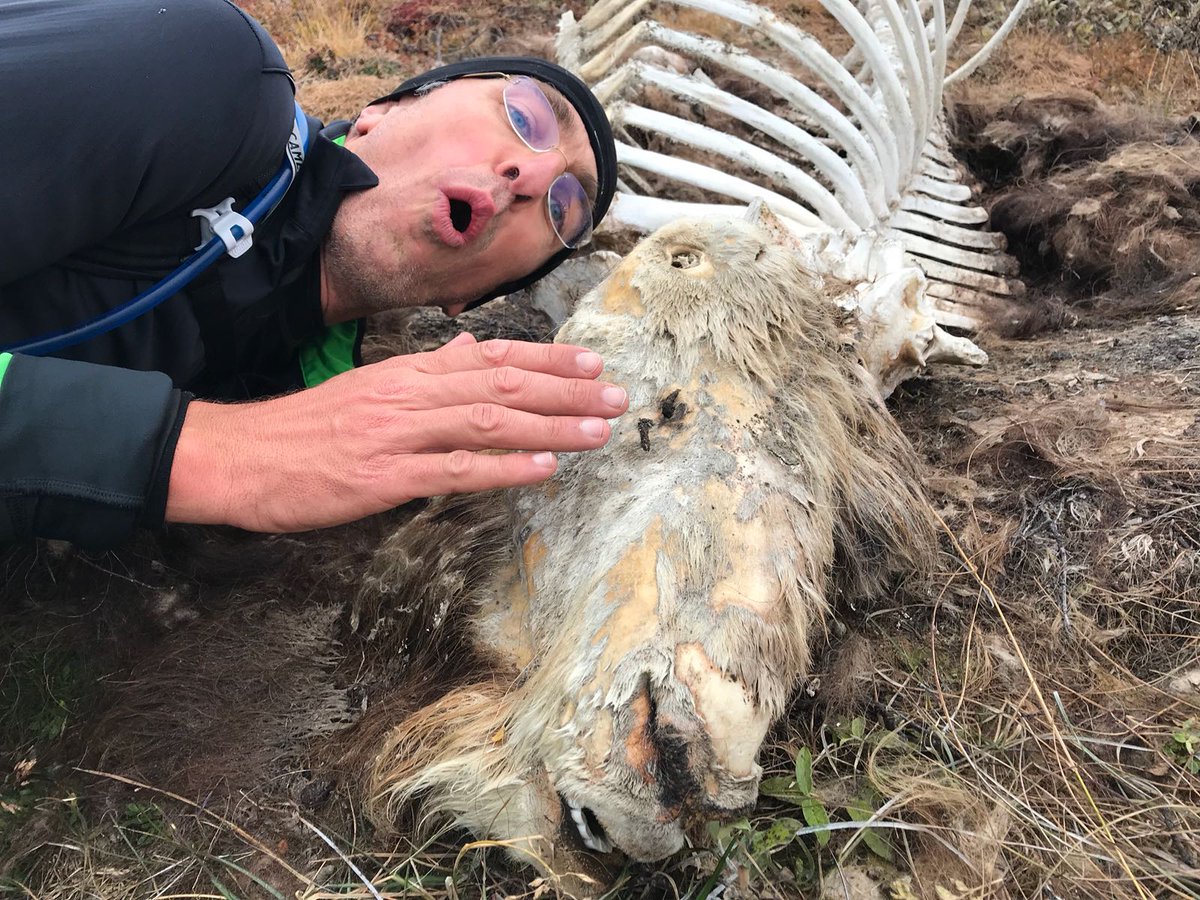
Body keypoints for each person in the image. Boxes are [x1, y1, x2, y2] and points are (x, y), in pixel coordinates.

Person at [0, 0, 626, 550]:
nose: (536, 176)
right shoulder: (207, 76)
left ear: (470, 300)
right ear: (383, 110)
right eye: (525, 115)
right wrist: (206, 453)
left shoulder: (302, 388)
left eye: (563, 209)